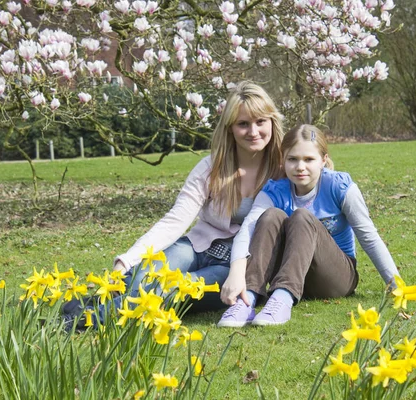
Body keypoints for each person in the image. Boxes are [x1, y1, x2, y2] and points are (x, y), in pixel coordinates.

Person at [217, 124, 416, 327]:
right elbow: (248, 229)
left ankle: (282, 300)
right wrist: (236, 274)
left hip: (336, 277)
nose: (300, 167)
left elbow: (368, 236)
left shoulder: (339, 186)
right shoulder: (275, 190)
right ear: (282, 160)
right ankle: (247, 301)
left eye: (309, 159)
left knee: (302, 217)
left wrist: (398, 287)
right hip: (293, 272)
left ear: (323, 160)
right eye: (292, 159)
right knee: (270, 215)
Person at [110, 81, 285, 312]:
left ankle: (86, 317)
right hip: (195, 247)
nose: (253, 132)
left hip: (234, 266)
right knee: (139, 276)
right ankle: (99, 311)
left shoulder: (284, 170)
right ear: (230, 128)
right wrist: (126, 260)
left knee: (176, 288)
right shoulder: (210, 169)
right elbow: (176, 220)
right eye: (243, 124)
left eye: (260, 122)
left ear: (272, 121)